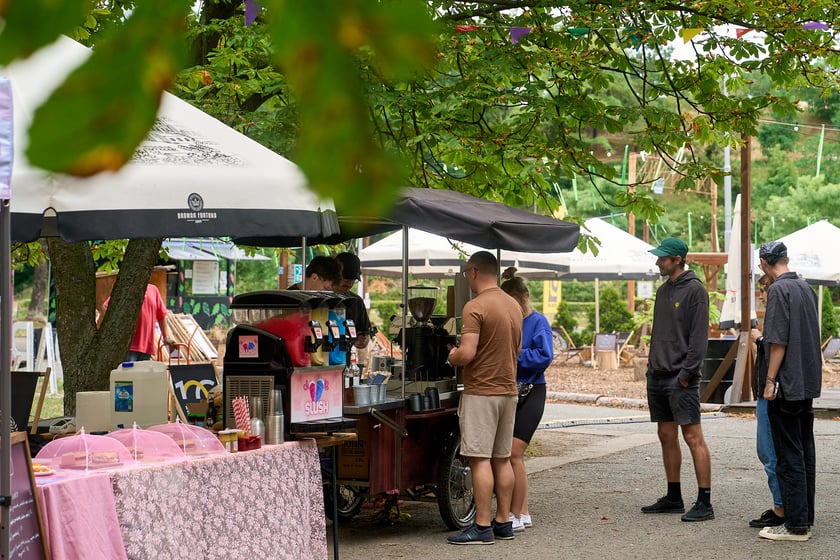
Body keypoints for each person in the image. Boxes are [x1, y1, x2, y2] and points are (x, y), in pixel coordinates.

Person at [446, 251, 522, 545]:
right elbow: (515, 349)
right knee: (502, 459)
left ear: (475, 271)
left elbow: (467, 353)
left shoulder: (474, 306)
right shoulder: (513, 304)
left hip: (481, 392)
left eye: (467, 273)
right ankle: (503, 522)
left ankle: (481, 526)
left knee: (479, 461)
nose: (467, 278)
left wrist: (451, 356)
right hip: (508, 390)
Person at [641, 237, 714, 522]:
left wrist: (686, 375)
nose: (657, 262)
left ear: (678, 260)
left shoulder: (695, 290)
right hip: (657, 375)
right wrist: (651, 368)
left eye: (662, 258)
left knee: (693, 437)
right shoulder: (662, 291)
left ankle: (705, 502)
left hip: (680, 378)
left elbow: (699, 339)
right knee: (665, 435)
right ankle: (674, 497)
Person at [756, 241, 821, 542]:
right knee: (805, 450)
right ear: (786, 259)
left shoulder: (779, 290)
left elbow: (777, 341)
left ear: (765, 263)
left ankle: (795, 525)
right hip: (806, 381)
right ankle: (804, 516)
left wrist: (770, 380)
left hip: (786, 384)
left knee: (788, 454)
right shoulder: (804, 287)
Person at [500, 267, 553, 533]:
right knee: (506, 454)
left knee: (514, 453)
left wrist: (516, 354)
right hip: (508, 389)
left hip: (533, 389)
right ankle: (522, 511)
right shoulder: (507, 320)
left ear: (524, 297)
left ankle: (517, 512)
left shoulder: (538, 321)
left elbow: (544, 356)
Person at [748, 275, 784, 529]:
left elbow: (775, 347)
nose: (762, 295)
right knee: (768, 451)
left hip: (770, 392)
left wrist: (758, 339)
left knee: (768, 451)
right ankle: (780, 505)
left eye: (764, 290)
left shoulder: (776, 316)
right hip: (767, 390)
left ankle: (781, 507)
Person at [334, 252, 372, 349]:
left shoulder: (356, 301)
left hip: (343, 359)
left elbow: (365, 334)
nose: (349, 282)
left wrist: (362, 340)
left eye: (353, 279)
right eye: (346, 277)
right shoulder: (319, 299)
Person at [126, 283, 170, 362]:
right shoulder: (126, 287)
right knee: (128, 373)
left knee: (143, 373)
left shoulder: (153, 290)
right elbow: (106, 308)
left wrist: (166, 337)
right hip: (128, 346)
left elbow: (162, 315)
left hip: (146, 347)